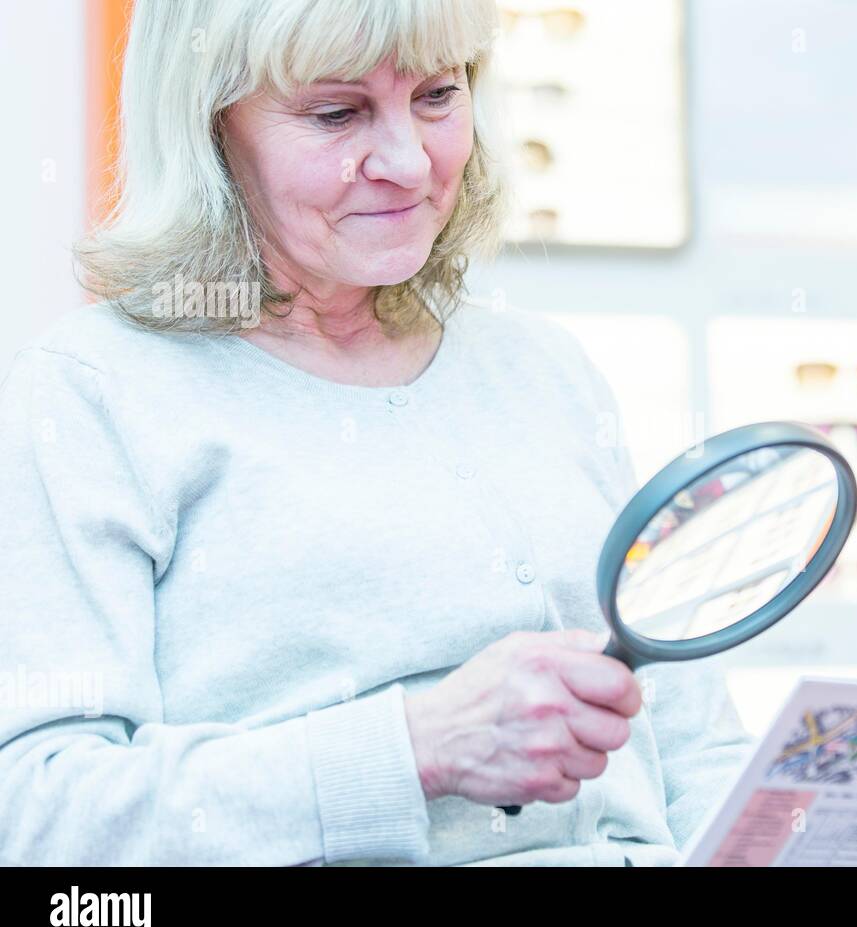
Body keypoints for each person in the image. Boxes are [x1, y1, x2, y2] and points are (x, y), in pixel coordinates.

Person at [0, 0, 753, 866]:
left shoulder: (544, 369)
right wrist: (415, 746)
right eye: (335, 113)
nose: (406, 160)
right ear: (209, 128)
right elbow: (41, 819)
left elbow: (694, 751)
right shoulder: (94, 395)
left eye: (437, 95)